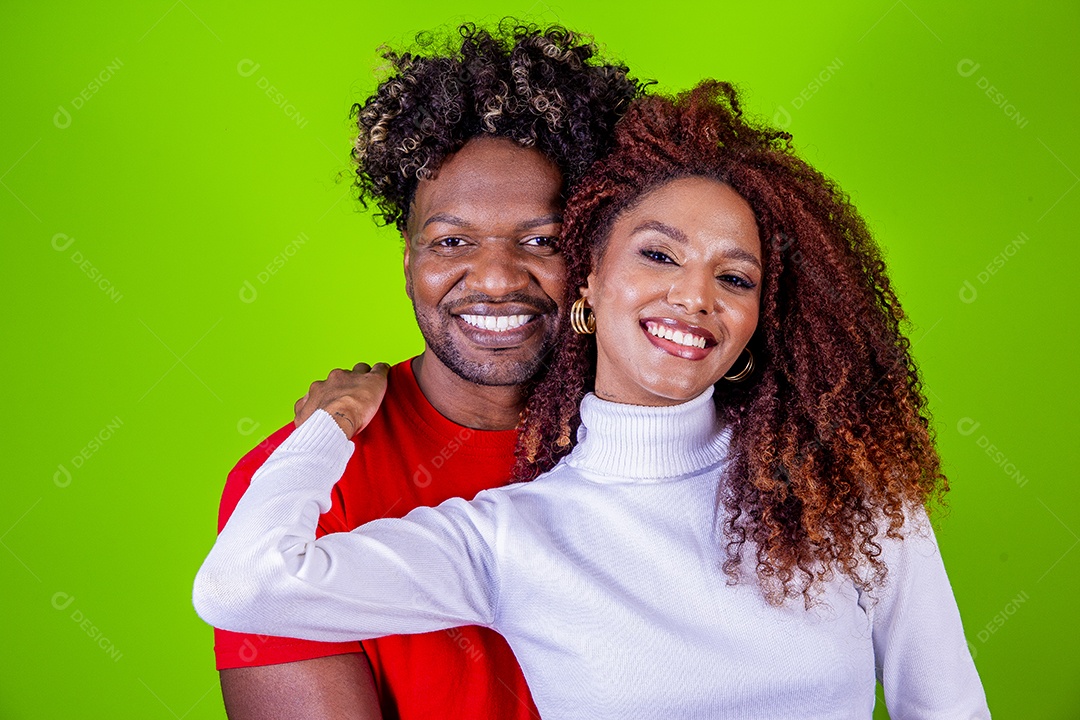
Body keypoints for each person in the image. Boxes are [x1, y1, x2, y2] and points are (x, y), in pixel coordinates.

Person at [196, 82, 990, 718]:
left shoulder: (839, 488)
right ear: (597, 279)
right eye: (659, 255)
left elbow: (948, 704)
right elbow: (244, 587)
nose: (693, 297)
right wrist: (331, 425)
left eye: (735, 277)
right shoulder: (512, 535)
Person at [211, 20, 641, 720]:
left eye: (542, 240)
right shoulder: (301, 488)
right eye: (452, 240)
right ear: (409, 262)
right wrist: (333, 432)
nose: (497, 278)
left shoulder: (674, 444)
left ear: (593, 259)